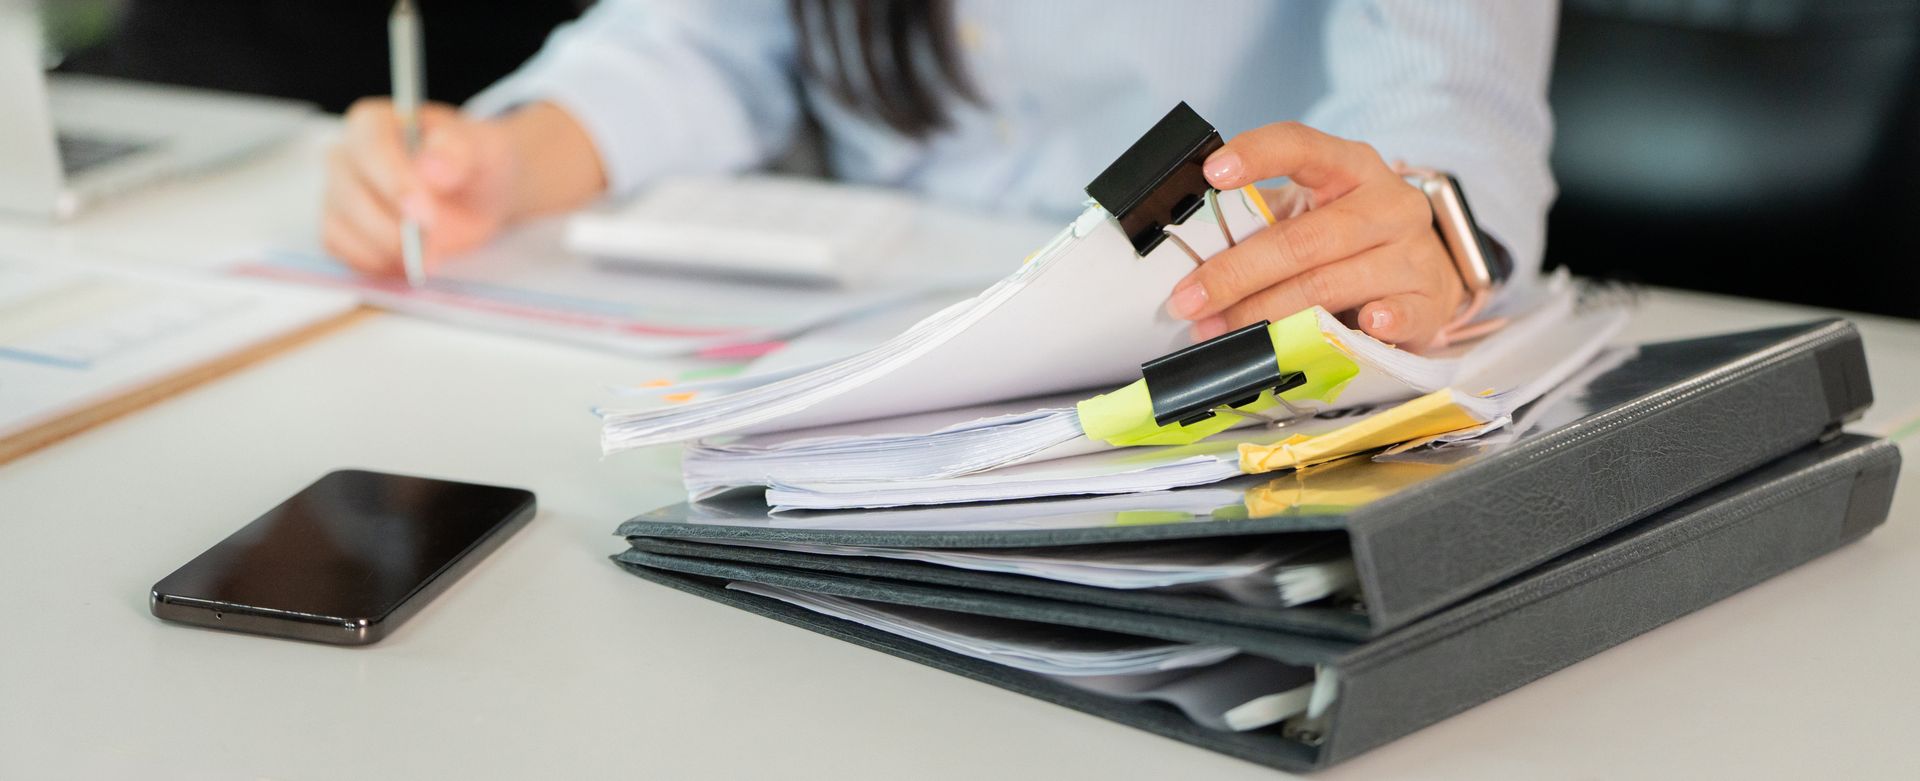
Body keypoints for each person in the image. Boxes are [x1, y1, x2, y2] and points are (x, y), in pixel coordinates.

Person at [323, 1, 1556, 350]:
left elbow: (1450, 87)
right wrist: (504, 161)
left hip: (1215, 321)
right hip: (873, 340)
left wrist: (1421, 225)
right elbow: (706, 39)